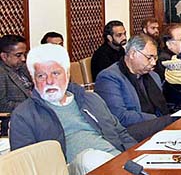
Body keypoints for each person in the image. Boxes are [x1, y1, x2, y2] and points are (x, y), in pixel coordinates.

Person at [10, 44, 137, 174]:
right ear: (33, 79)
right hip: (72, 169)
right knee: (90, 158)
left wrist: (137, 157)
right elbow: (26, 166)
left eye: (55, 73)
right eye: (41, 76)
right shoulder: (24, 115)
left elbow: (121, 133)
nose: (49, 81)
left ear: (67, 74)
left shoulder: (90, 100)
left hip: (117, 161)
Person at [95, 34, 175, 141]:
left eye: (155, 58)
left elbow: (164, 106)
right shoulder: (109, 77)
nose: (153, 63)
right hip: (128, 134)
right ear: (132, 53)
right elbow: (119, 116)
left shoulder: (153, 76)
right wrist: (158, 119)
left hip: (158, 127)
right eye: (149, 57)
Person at [0, 35, 31, 136]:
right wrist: (32, 104)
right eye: (18, 55)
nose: (23, 59)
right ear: (4, 56)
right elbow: (2, 105)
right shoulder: (1, 73)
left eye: (24, 54)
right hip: (15, 120)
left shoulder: (23, 67)